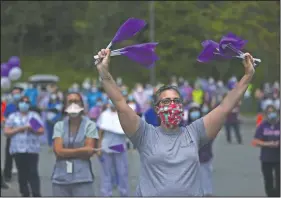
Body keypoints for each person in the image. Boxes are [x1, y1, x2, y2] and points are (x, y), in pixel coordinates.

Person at [95, 49, 255, 196]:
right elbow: (120, 103)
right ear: (157, 109)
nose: (171, 105)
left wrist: (247, 76)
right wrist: (104, 72)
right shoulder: (144, 134)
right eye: (166, 102)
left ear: (182, 107)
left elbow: (225, 107)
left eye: (176, 101)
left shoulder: (195, 132)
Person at [51, 92, 98, 196]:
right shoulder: (59, 125)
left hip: (82, 178)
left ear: (82, 105)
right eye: (70, 102)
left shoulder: (90, 125)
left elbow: (89, 150)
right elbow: (58, 151)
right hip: (60, 178)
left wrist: (65, 152)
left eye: (76, 101)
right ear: (65, 106)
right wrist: (81, 151)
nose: (73, 104)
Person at [4, 96, 44, 197]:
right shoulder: (13, 117)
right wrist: (20, 128)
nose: (24, 104)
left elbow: (40, 131)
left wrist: (31, 128)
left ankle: (36, 193)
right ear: (19, 104)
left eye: (26, 102)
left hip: (32, 149)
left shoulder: (32, 116)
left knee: (33, 172)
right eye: (22, 102)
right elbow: (7, 132)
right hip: (18, 149)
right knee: (22, 173)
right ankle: (24, 192)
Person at [97, 100, 129, 197]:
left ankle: (124, 194)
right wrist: (98, 147)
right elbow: (101, 131)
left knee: (122, 173)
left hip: (119, 146)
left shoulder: (123, 114)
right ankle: (106, 194)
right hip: (106, 146)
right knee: (106, 173)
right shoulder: (104, 115)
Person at [251, 104, 280, 197]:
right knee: (268, 179)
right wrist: (268, 144)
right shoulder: (263, 125)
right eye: (269, 112)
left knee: (279, 180)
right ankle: (270, 195)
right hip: (266, 158)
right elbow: (255, 141)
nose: (271, 114)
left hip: (278, 158)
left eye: (273, 112)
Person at [188, 103, 214, 196]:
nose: (194, 113)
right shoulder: (186, 125)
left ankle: (207, 193)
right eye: (192, 111)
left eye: (196, 110)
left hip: (204, 156)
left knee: (205, 177)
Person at [4, 86, 23, 181]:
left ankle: (25, 174)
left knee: (24, 155)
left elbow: (36, 125)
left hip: (24, 135)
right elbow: (4, 118)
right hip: (11, 133)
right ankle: (7, 175)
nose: (16, 95)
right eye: (14, 93)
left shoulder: (26, 105)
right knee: (9, 154)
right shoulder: (9, 106)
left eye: (18, 93)